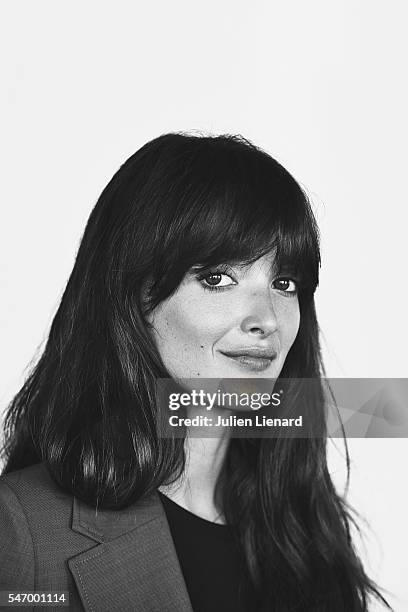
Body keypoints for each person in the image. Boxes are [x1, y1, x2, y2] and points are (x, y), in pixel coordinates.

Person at [0, 133, 391, 611]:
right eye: (217, 279)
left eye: (284, 284)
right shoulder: (23, 528)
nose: (266, 319)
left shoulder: (306, 531)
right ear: (131, 296)